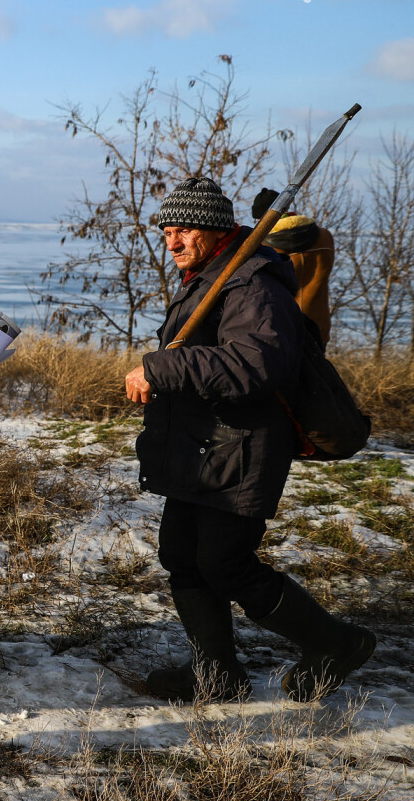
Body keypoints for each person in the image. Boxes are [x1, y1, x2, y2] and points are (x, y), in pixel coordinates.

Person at [124, 176, 375, 703]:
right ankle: (216, 675)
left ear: (215, 230)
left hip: (243, 447)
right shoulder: (211, 275)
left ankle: (335, 643)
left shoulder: (253, 283)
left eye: (183, 230)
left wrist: (161, 367)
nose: (172, 243)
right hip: (205, 446)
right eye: (167, 231)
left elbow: (254, 364)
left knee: (224, 563)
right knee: (182, 554)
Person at [251, 187, 336, 346]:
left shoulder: (260, 247)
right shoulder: (324, 237)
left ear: (262, 219)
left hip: (279, 328)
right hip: (318, 327)